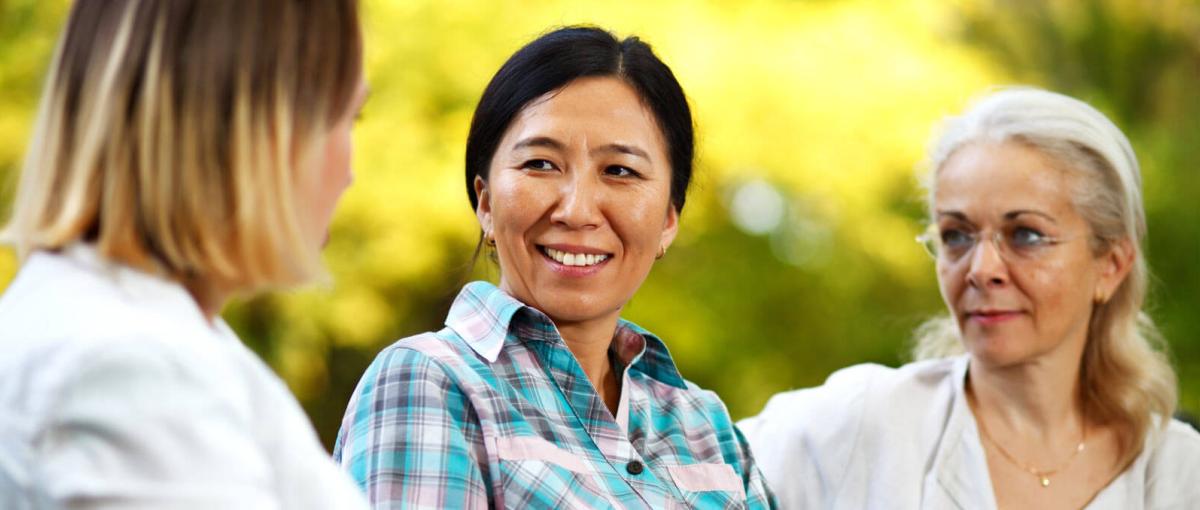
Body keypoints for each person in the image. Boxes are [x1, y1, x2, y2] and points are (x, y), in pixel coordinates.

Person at [333, 26, 774, 509]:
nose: (577, 210)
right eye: (541, 164)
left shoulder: (706, 426)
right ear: (485, 201)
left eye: (620, 171)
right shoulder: (431, 381)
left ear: (669, 220)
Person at [739, 88, 1200, 509]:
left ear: (1111, 265)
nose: (981, 269)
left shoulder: (1178, 473)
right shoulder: (864, 423)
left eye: (1026, 234)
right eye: (957, 235)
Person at [0, 1, 369, 508]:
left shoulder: (143, 332)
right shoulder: (131, 369)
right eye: (347, 118)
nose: (350, 170)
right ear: (257, 126)